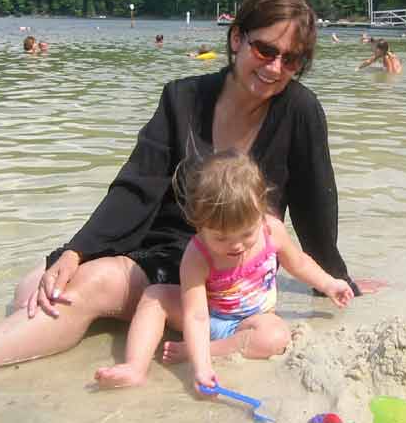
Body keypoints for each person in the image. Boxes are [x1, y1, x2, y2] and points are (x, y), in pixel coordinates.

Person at [0, 0, 381, 389]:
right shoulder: (182, 98)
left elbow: (318, 203)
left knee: (81, 289)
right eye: (265, 50)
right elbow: (136, 186)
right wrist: (75, 250)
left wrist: (337, 279)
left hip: (218, 261)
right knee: (38, 281)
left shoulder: (298, 110)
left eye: (291, 59)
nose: (276, 68)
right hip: (157, 243)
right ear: (237, 39)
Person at [94, 151, 354, 389]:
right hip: (210, 313)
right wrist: (202, 368)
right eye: (221, 238)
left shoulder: (271, 230)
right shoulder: (197, 255)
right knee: (155, 295)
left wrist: (330, 284)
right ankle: (135, 367)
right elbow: (196, 315)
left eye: (246, 234)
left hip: (252, 320)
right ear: (199, 226)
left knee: (276, 335)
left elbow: (298, 263)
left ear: (261, 212)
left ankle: (203, 349)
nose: (236, 245)